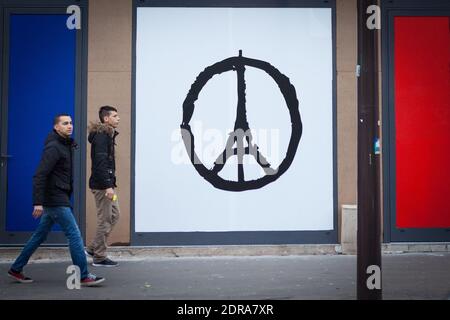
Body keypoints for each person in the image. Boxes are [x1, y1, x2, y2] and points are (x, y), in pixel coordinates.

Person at [7, 114, 104, 286]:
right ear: (56, 127)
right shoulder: (54, 147)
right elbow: (39, 175)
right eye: (65, 123)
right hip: (55, 198)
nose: (70, 126)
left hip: (58, 197)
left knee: (39, 235)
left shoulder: (65, 145)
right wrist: (38, 202)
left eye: (71, 123)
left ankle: (16, 268)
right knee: (74, 235)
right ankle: (83, 275)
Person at [85, 106, 120, 267]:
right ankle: (99, 257)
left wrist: (110, 184)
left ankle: (93, 248)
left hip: (108, 184)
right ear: (106, 119)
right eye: (115, 116)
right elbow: (100, 163)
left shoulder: (108, 135)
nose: (118, 118)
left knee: (114, 215)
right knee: (105, 220)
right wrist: (107, 186)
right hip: (102, 186)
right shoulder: (101, 136)